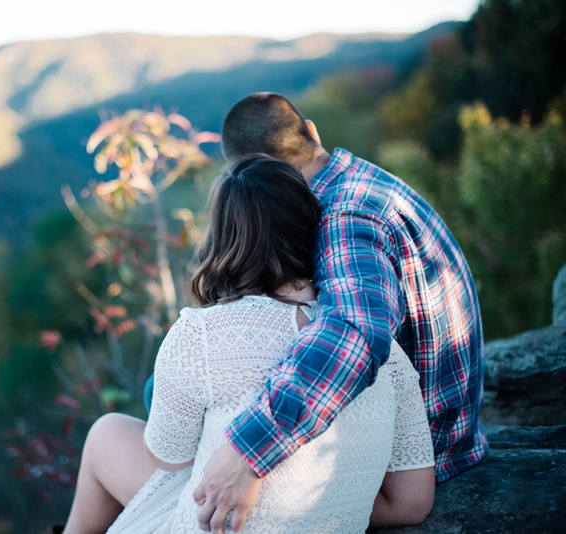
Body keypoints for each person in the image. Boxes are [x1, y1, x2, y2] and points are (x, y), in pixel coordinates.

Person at [61, 154, 435, 534]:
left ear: (222, 237)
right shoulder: (384, 352)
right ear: (311, 225)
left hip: (214, 523)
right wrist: (322, 506)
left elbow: (168, 458)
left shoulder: (200, 334)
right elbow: (411, 503)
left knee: (105, 433)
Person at [189, 92, 488, 532]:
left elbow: (357, 332)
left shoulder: (342, 218)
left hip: (419, 456)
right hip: (442, 427)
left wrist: (249, 451)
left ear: (258, 176)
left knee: (169, 391)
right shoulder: (360, 180)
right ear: (311, 131)